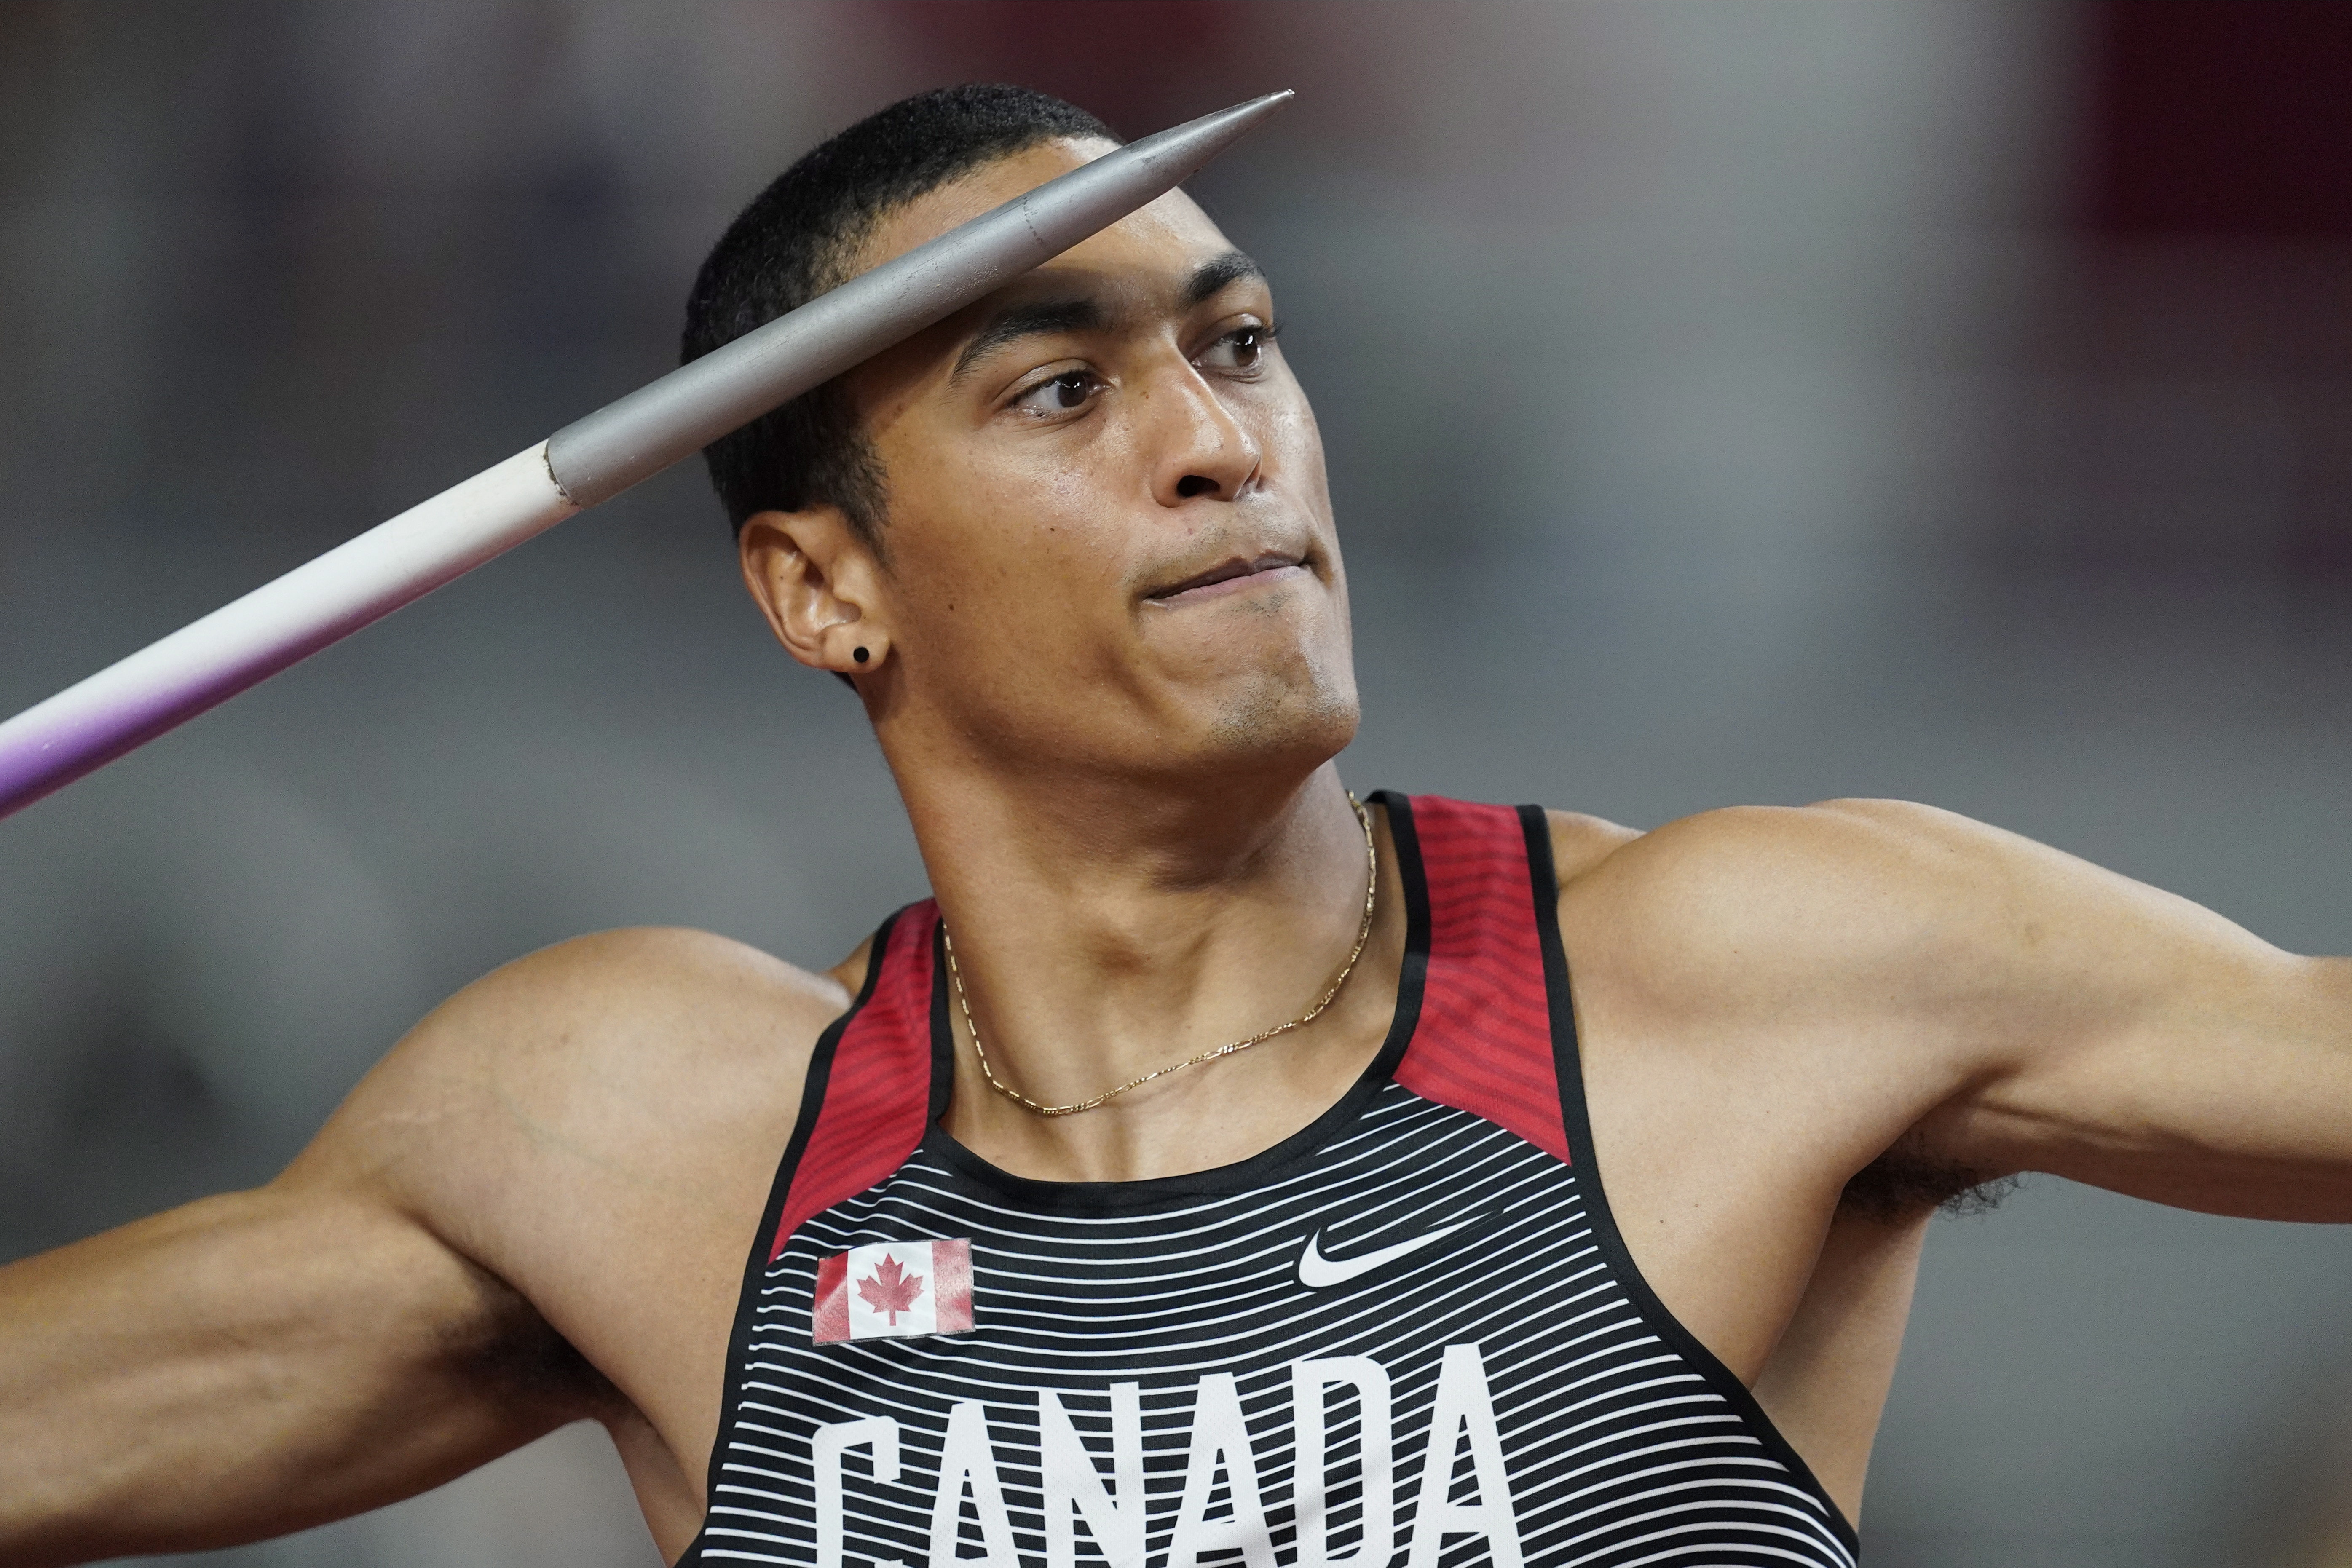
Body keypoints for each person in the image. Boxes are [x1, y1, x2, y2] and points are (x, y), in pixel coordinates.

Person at [3, 82, 2347, 1568]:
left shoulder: (1739, 973)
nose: (1224, 442)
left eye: (1235, 343)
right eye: (1061, 386)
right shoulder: (648, 1148)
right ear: (827, 586)